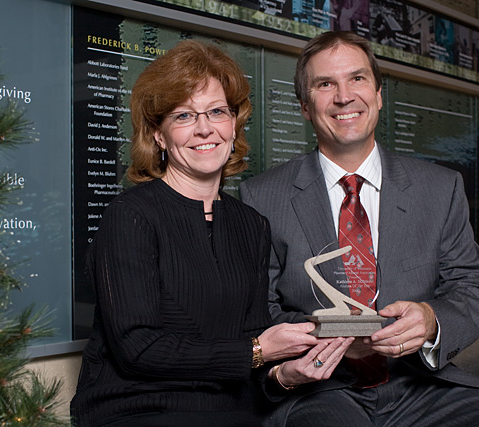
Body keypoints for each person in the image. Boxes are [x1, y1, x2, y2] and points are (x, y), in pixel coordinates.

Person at [239, 31, 479, 427]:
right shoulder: (262, 196)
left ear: (379, 94)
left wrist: (430, 319)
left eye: (357, 78)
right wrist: (321, 336)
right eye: (325, 84)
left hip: (420, 385)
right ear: (305, 106)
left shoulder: (439, 188)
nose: (344, 96)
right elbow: (255, 308)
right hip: (320, 390)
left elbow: (473, 286)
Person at [70, 40, 330, 427]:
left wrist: (283, 375)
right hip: (138, 410)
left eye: (216, 112)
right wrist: (257, 350)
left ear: (233, 124)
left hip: (233, 411)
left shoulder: (251, 225)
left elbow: (253, 345)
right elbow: (137, 349)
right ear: (158, 135)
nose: (205, 128)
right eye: (184, 116)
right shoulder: (129, 217)